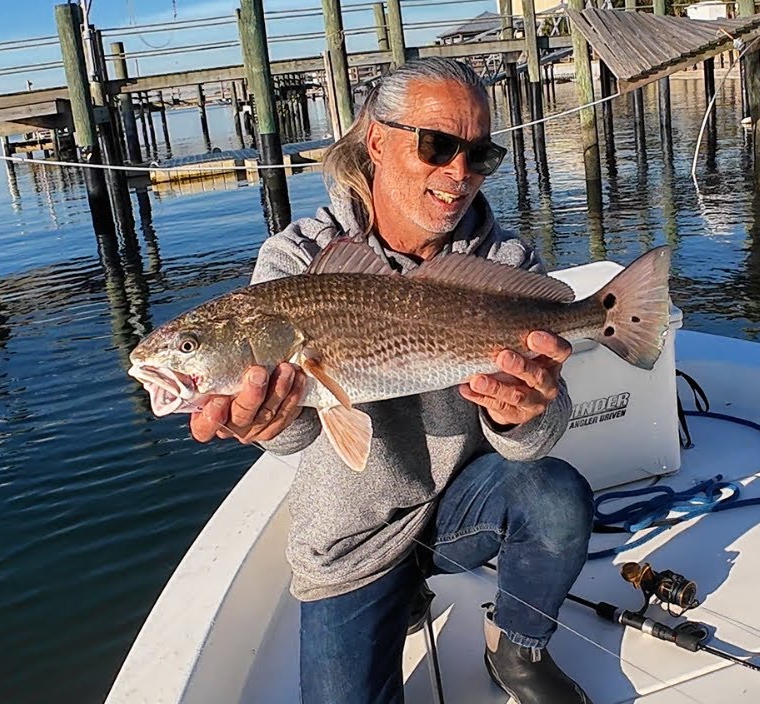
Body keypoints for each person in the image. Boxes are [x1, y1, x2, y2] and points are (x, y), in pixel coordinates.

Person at [190, 57, 594, 704]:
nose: (458, 173)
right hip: (353, 539)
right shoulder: (296, 262)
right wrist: (266, 420)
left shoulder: (505, 260)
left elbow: (536, 437)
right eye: (436, 145)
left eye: (480, 154)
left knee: (556, 493)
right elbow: (292, 433)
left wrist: (523, 414)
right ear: (376, 139)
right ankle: (397, 596)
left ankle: (516, 648)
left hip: (464, 502)